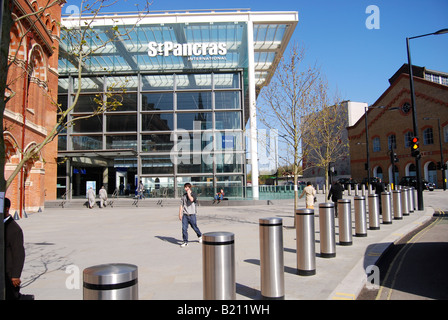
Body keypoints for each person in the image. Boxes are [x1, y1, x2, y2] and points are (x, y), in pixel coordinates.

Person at [3, 197, 30, 300]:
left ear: (6, 209)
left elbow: (19, 253)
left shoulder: (14, 229)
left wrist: (15, 275)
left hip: (9, 274)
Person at [179, 183, 202, 247]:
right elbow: (181, 205)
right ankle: (185, 241)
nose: (186, 189)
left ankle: (200, 236)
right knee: (184, 228)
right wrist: (180, 214)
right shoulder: (183, 195)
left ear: (190, 188)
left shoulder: (193, 194)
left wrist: (189, 193)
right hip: (185, 215)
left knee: (194, 227)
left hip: (192, 214)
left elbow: (191, 199)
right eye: (185, 187)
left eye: (187, 187)